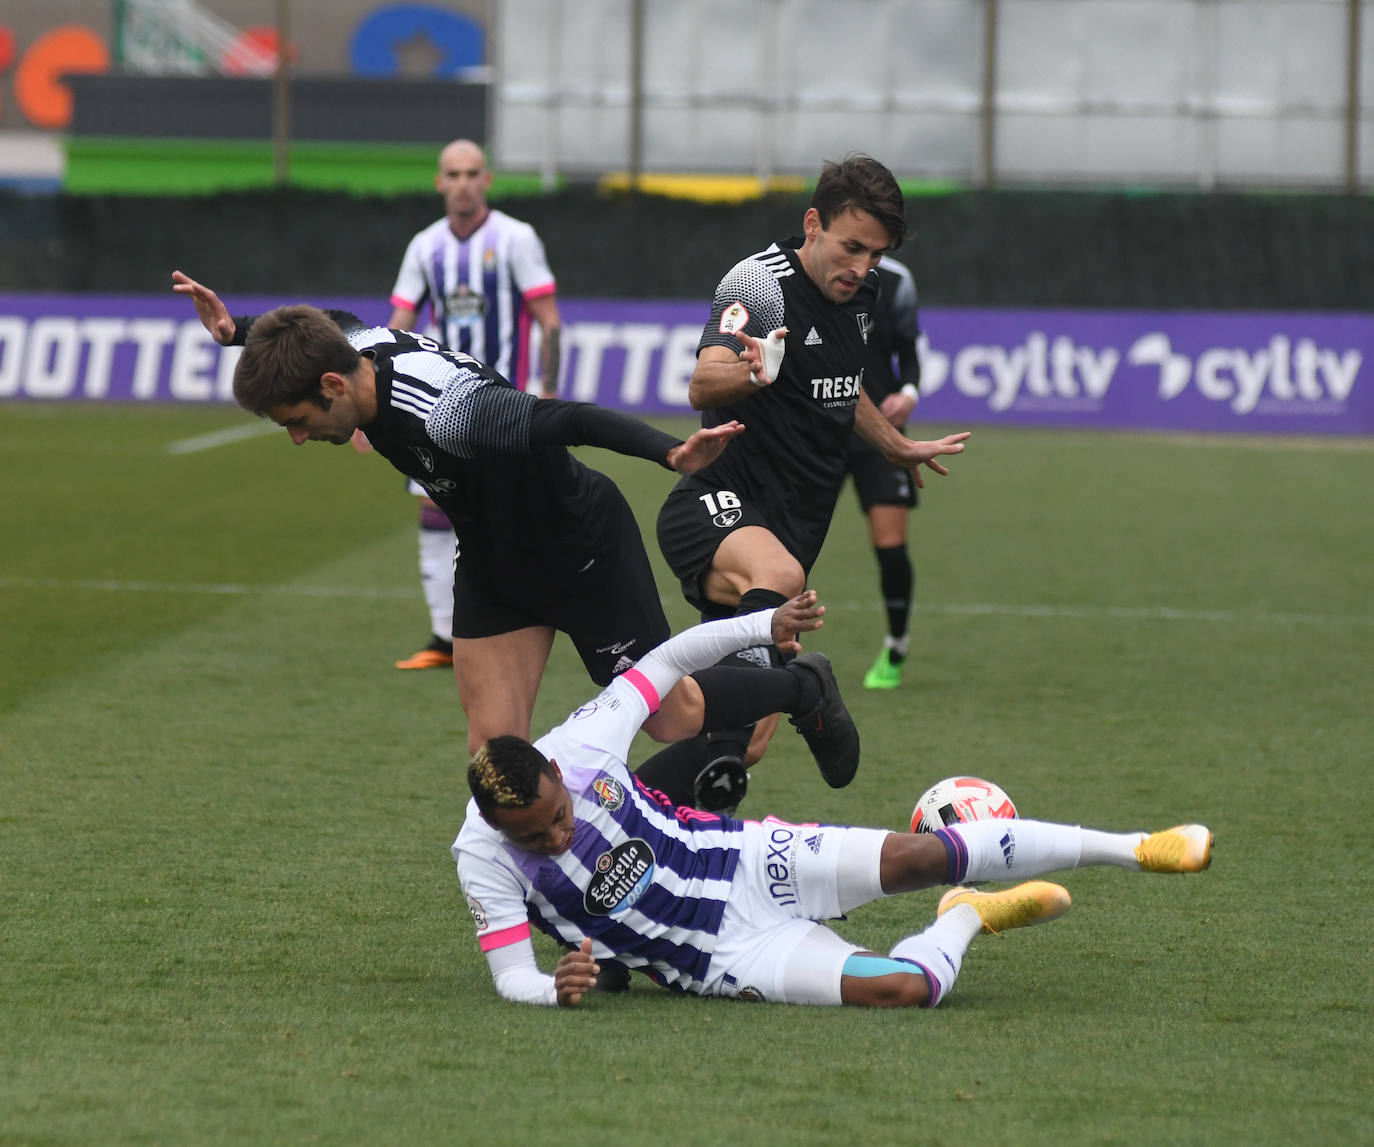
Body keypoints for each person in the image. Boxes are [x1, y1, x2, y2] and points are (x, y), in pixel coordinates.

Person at [170, 273, 859, 804]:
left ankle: (801, 687)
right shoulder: (348, 348)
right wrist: (239, 331)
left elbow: (562, 418)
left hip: (579, 546)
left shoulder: (448, 412)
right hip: (495, 561)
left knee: (673, 718)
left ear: (332, 385)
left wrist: (668, 452)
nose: (296, 437)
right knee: (494, 756)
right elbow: (321, 323)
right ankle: (569, 881)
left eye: (296, 419)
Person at [455, 592, 1216, 1007]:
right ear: (496, 827)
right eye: (535, 836)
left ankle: (1138, 845)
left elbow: (669, 658)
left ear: (556, 772)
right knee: (903, 987)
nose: (556, 834)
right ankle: (966, 914)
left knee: (924, 853)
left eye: (559, 813)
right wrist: (552, 989)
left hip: (753, 861)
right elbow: (510, 974)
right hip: (721, 956)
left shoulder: (584, 744)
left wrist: (762, 624)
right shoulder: (481, 855)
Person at [644, 155, 969, 809]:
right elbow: (703, 381)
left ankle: (635, 813)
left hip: (795, 526)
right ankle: (802, 690)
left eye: (875, 256)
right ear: (813, 223)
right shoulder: (759, 283)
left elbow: (841, 391)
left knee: (737, 734)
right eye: (852, 248)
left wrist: (895, 445)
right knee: (782, 578)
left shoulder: (864, 297)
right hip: (718, 501)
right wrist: (756, 371)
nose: (861, 267)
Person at [386, 139, 564, 670]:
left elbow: (548, 319)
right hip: (436, 403)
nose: (462, 183)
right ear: (439, 182)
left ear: (486, 179)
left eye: (472, 173)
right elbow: (399, 324)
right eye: (453, 174)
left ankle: (528, 621)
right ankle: (444, 637)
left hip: (503, 403)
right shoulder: (424, 247)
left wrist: (546, 393)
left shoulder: (516, 238)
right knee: (435, 506)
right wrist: (372, 397)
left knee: (514, 511)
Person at [846, 253, 923, 690]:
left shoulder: (897, 279)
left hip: (882, 430)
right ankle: (771, 646)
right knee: (790, 544)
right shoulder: (806, 268)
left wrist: (909, 392)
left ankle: (896, 646)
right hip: (819, 428)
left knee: (890, 546)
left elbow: (908, 352)